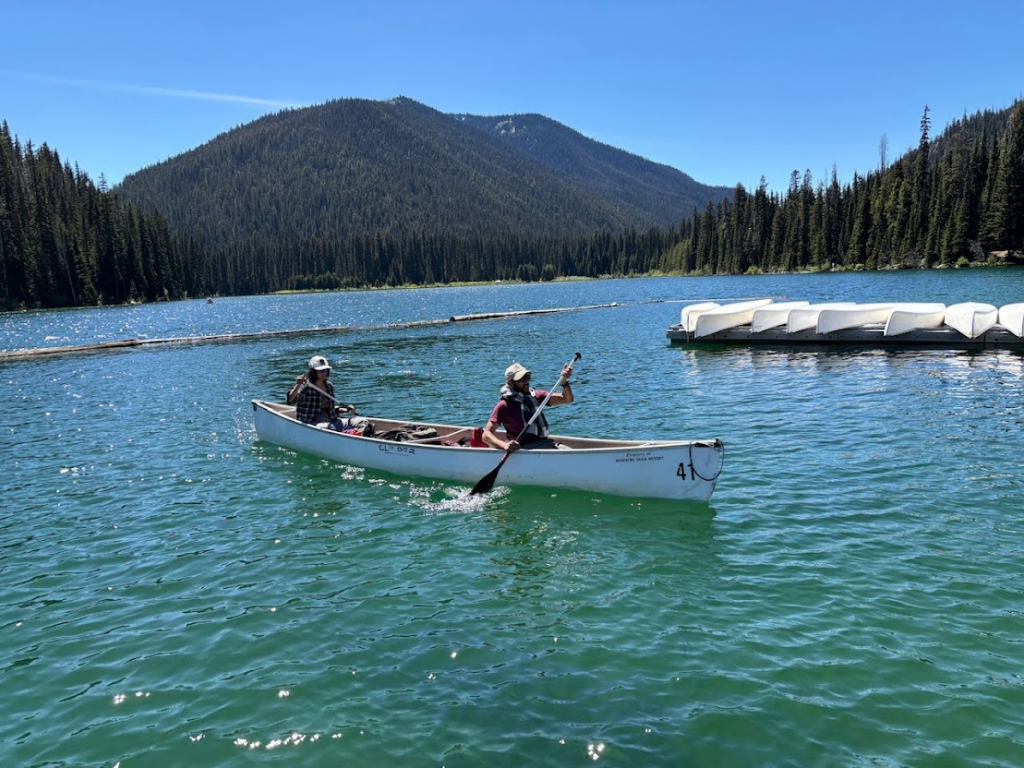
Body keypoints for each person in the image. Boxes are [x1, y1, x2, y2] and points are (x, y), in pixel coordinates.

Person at [482, 361, 574, 452]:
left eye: (527, 377)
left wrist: (564, 382)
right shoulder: (504, 405)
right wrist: (504, 446)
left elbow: (567, 399)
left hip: (543, 443)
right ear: (510, 383)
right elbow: (486, 435)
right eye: (521, 380)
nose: (526, 382)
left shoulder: (536, 396)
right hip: (523, 449)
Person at [286, 354, 367, 432]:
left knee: (362, 422)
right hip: (312, 423)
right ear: (313, 372)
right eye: (321, 371)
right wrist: (297, 385)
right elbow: (290, 401)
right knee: (331, 428)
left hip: (331, 420)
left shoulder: (328, 386)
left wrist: (346, 409)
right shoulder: (306, 386)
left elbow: (331, 409)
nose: (325, 373)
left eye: (326, 370)